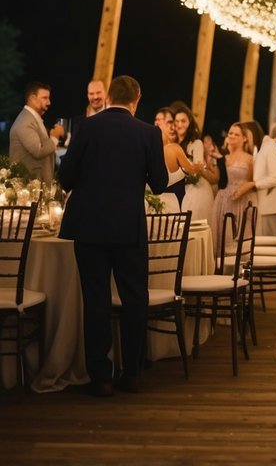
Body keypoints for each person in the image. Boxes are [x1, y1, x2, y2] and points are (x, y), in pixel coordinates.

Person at [59, 74, 168, 396]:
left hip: (88, 226)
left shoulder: (87, 128)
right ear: (136, 99)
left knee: (96, 300)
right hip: (128, 227)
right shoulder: (149, 133)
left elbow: (65, 177)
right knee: (135, 299)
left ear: (108, 97)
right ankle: (132, 373)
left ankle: (101, 378)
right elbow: (160, 183)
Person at [210, 122, 255, 250]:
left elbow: (252, 181)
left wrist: (244, 189)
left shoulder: (250, 159)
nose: (232, 136)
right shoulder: (223, 158)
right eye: (230, 133)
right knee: (223, 235)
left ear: (244, 138)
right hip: (223, 199)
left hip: (242, 200)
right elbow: (217, 179)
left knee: (238, 236)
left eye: (236, 134)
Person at [237, 120, 276, 236]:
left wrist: (253, 184)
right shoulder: (258, 149)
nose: (245, 140)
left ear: (251, 133)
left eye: (245, 136)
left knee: (267, 246)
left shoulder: (269, 145)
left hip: (269, 208)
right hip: (260, 207)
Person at [170, 103, 217, 221]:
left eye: (183, 121)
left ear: (189, 122)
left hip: (195, 190)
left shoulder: (196, 143)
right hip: (177, 189)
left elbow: (197, 171)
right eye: (177, 121)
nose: (179, 125)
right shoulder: (172, 144)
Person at [9, 81, 64, 181]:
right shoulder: (26, 122)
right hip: (28, 186)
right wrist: (54, 137)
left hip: (35, 184)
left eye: (49, 98)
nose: (49, 102)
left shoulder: (33, 119)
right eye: (44, 98)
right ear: (32, 98)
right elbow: (38, 151)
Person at [154, 107, 203, 210]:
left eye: (173, 123)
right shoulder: (159, 147)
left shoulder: (176, 147)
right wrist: (186, 170)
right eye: (169, 123)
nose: (173, 127)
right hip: (160, 201)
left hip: (175, 200)